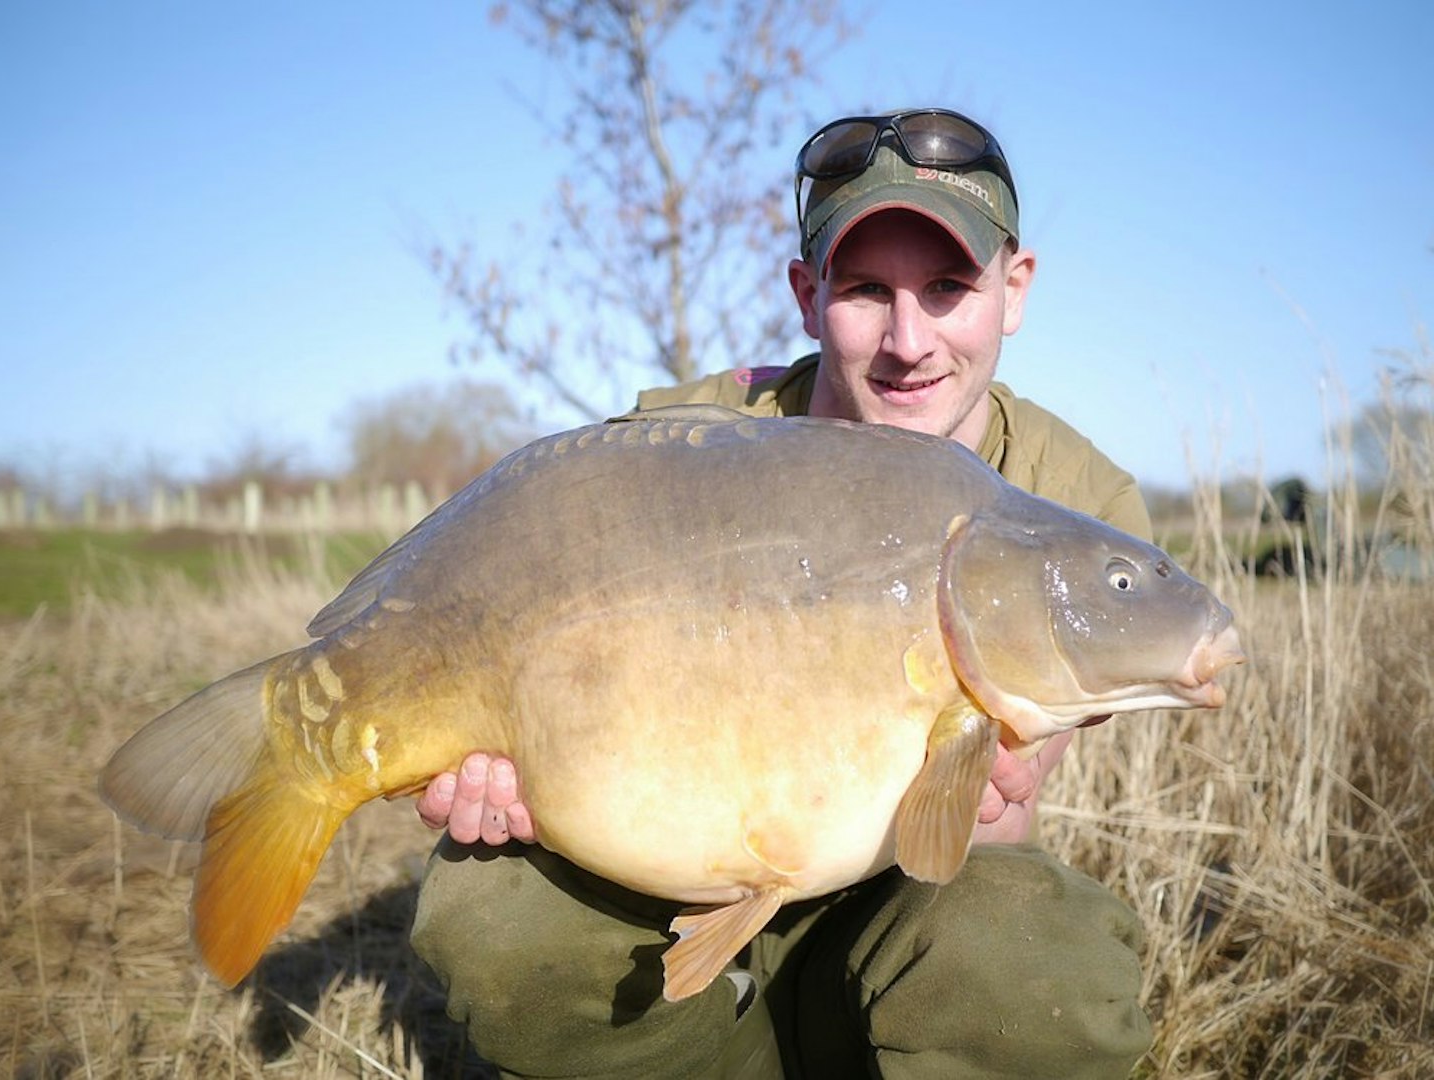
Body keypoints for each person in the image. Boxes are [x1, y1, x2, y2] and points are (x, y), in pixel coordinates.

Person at [409, 108, 1154, 1079]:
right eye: (863, 290)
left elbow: (988, 828)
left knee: (1029, 959)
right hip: (669, 874)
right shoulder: (684, 447)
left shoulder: (1076, 509)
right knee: (491, 908)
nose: (907, 339)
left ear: (1014, 288)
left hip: (903, 899)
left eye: (946, 287)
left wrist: (1003, 757)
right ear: (807, 295)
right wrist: (515, 754)